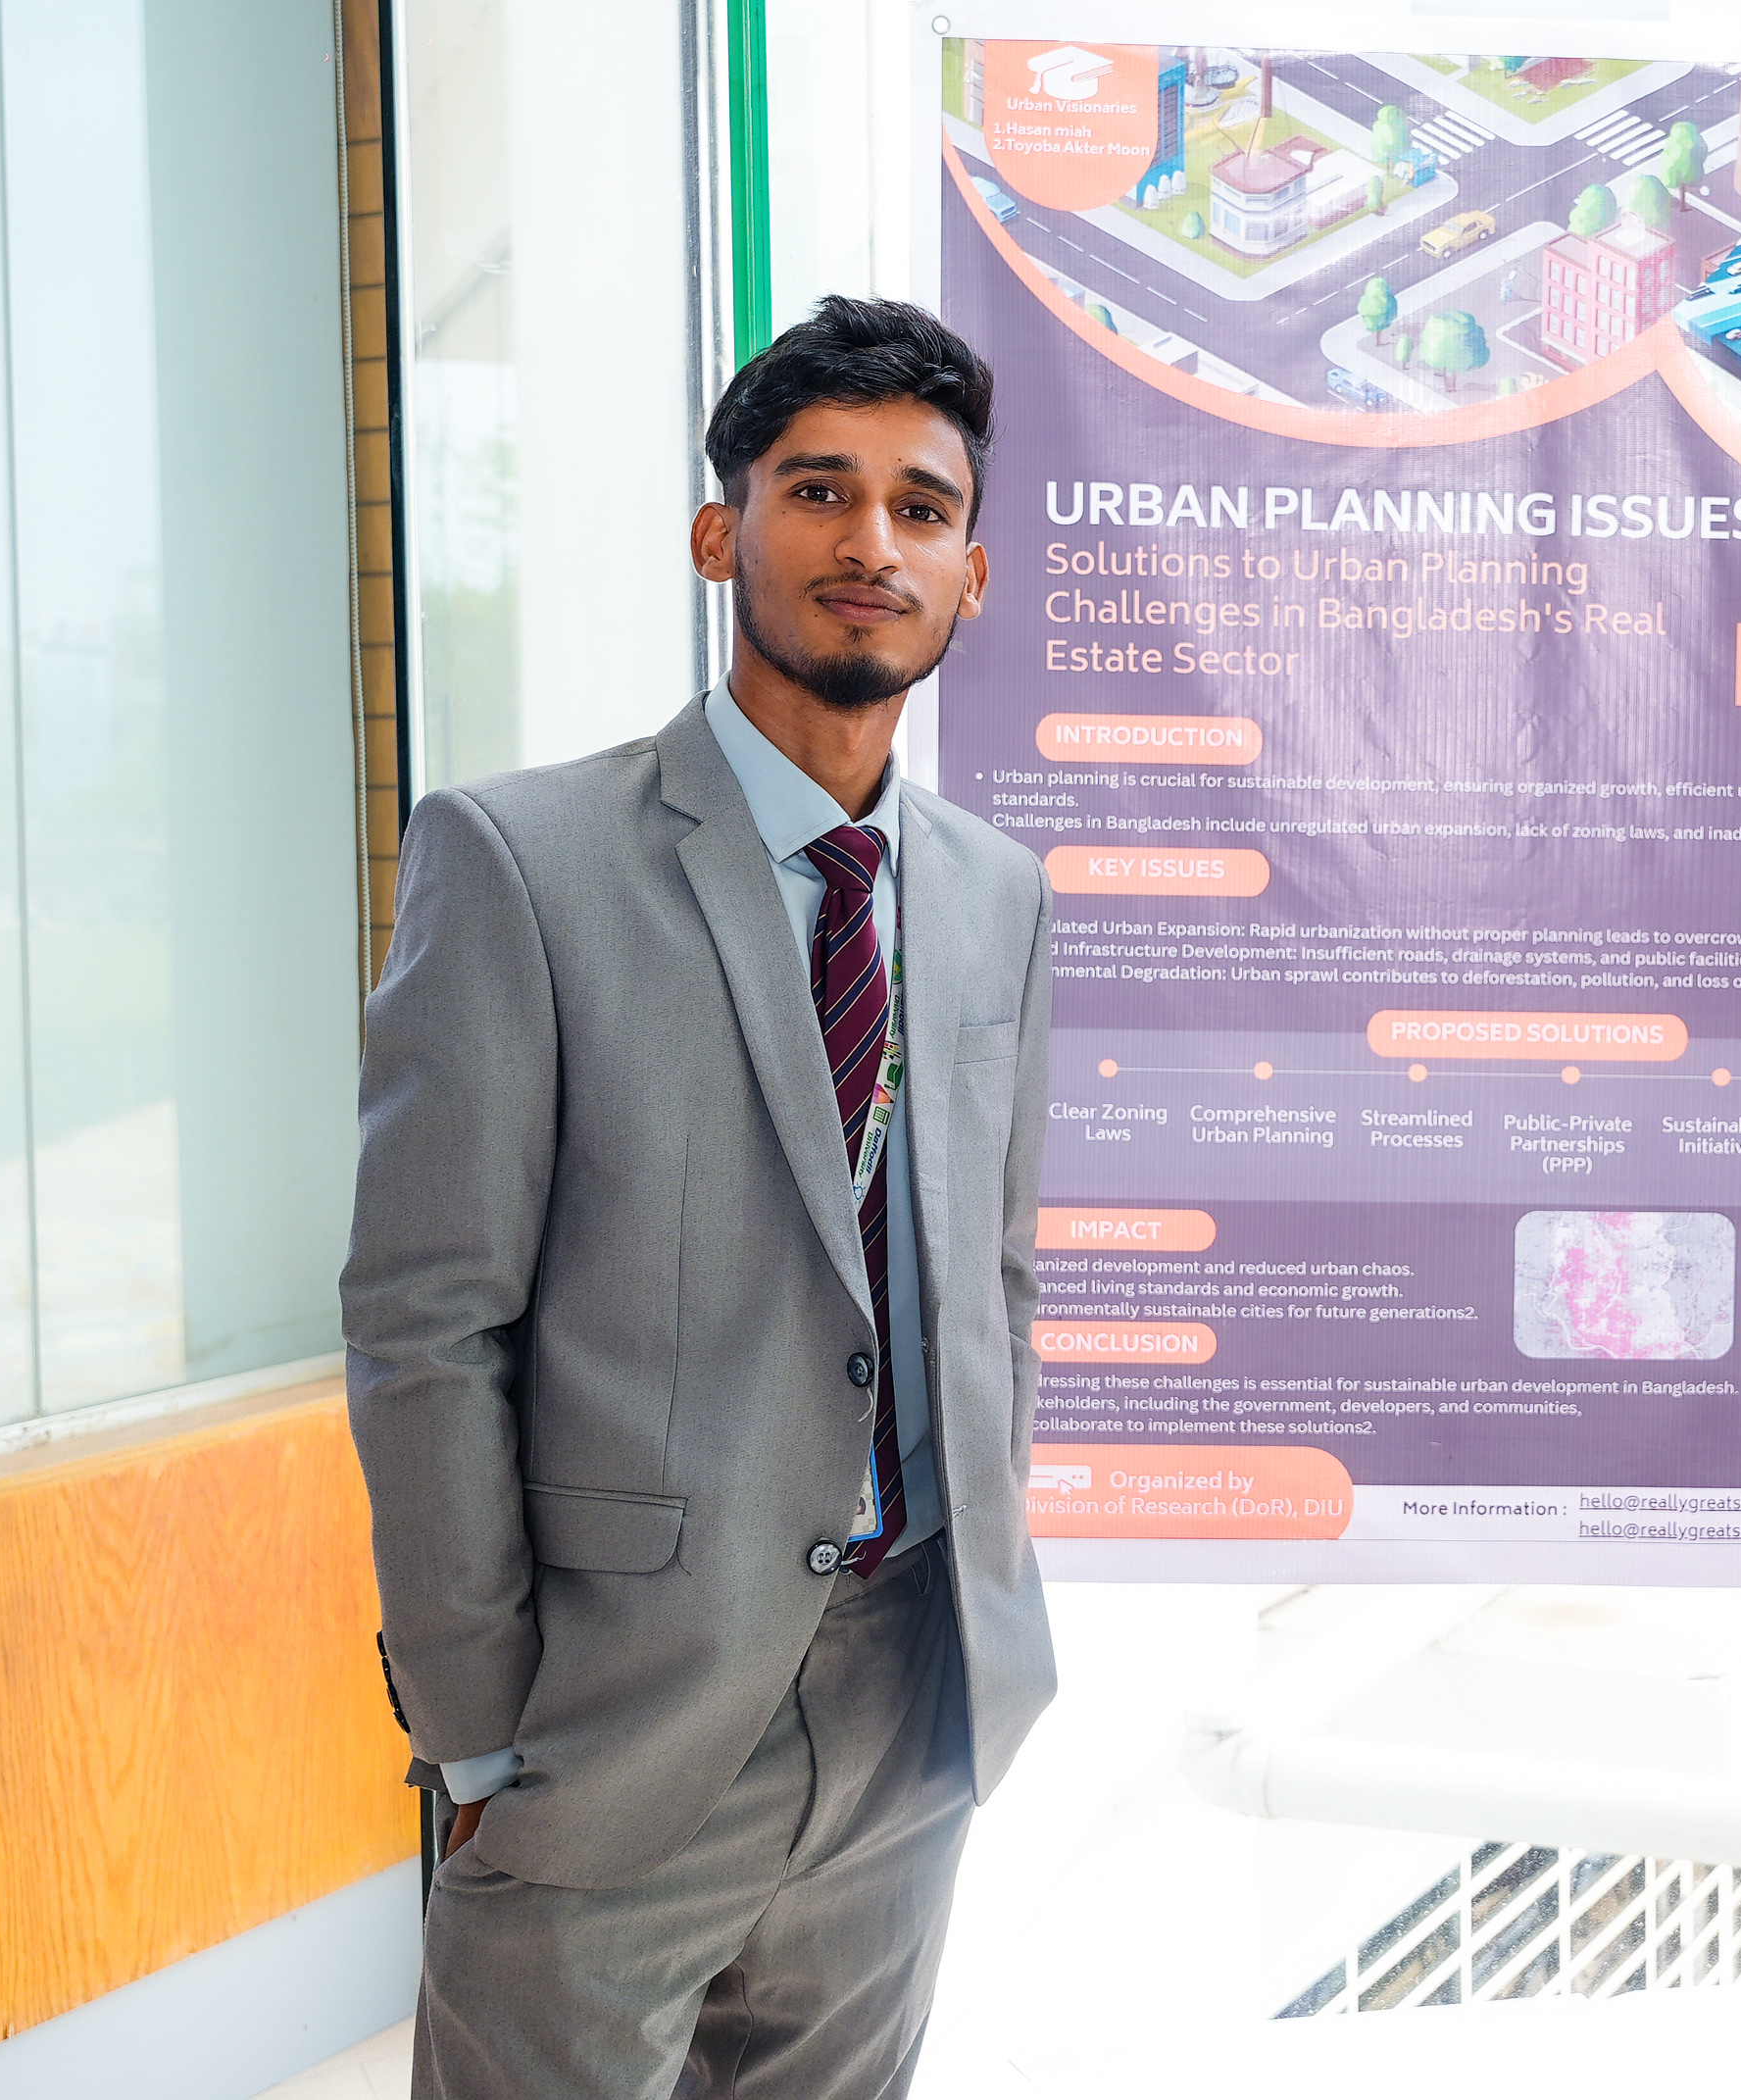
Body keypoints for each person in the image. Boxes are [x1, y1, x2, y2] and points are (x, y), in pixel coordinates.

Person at [344, 294, 1055, 2098]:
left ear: (970, 575)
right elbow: (427, 1323)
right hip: (616, 1720)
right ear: (720, 536)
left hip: (910, 1704)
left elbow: (996, 1278)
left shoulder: (994, 892)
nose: (872, 539)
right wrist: (478, 1727)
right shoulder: (522, 860)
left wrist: (971, 1622)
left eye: (920, 505)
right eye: (819, 490)